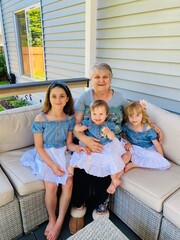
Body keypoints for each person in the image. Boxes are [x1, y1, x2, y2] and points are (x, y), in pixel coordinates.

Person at [68, 63, 163, 235]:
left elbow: (134, 116)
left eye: (105, 76)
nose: (101, 80)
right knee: (81, 172)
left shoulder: (119, 98)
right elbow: (76, 126)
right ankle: (78, 207)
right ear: (91, 79)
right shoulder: (84, 98)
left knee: (107, 173)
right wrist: (85, 140)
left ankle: (100, 206)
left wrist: (152, 125)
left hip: (113, 142)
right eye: (97, 76)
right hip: (89, 140)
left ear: (111, 79)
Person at [20, 81, 89, 240]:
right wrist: (52, 165)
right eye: (54, 96)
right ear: (49, 98)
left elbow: (69, 143)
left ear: (67, 99)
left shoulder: (69, 119)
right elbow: (38, 147)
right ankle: (52, 218)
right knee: (51, 186)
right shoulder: (40, 119)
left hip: (62, 152)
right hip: (46, 154)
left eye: (62, 96)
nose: (58, 99)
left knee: (68, 182)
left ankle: (60, 220)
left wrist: (78, 148)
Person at [68, 100, 131, 194]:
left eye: (101, 114)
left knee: (112, 157)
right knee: (82, 152)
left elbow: (112, 137)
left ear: (106, 115)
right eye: (94, 114)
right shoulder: (88, 123)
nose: (97, 117)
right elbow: (76, 128)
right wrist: (80, 128)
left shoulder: (108, 125)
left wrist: (109, 132)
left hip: (106, 145)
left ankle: (114, 177)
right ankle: (72, 165)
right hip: (89, 144)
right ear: (90, 115)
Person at [122, 100, 171, 172]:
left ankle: (134, 164)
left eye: (137, 115)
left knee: (155, 159)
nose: (134, 119)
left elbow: (157, 145)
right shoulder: (127, 125)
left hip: (145, 149)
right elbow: (124, 134)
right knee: (125, 155)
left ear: (143, 115)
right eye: (131, 115)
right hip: (132, 147)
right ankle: (119, 168)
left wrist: (161, 157)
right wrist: (127, 142)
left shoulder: (148, 129)